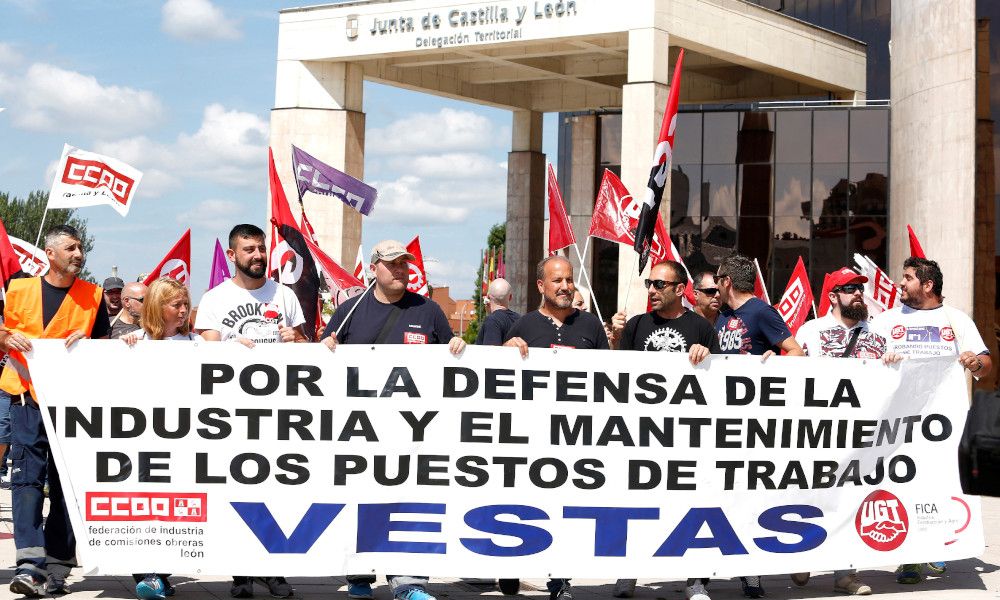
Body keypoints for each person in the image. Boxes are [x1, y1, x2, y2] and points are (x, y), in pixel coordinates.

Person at [322, 239, 465, 600]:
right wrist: (324, 349)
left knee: (409, 500)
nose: (400, 269)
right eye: (392, 264)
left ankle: (409, 581)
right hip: (359, 430)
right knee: (359, 499)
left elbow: (450, 359)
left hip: (412, 433)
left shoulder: (430, 311)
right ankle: (359, 577)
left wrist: (459, 349)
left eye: (404, 263)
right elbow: (322, 363)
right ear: (374, 269)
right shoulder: (351, 310)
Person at [194, 224, 305, 599]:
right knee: (236, 493)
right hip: (231, 416)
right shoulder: (214, 298)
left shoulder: (285, 295)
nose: (257, 255)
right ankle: (242, 573)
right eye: (248, 250)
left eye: (260, 248)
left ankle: (272, 570)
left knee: (276, 493)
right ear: (232, 256)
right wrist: (228, 342)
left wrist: (297, 339)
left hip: (279, 413)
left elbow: (306, 349)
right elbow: (206, 351)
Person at [0, 225, 111, 596]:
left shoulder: (93, 296)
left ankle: (59, 565)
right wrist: (3, 336)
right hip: (25, 398)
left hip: (72, 404)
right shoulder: (19, 290)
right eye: (71, 248)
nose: (79, 254)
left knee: (66, 483)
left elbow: (105, 345)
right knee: (27, 480)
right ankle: (30, 562)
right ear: (50, 253)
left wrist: (91, 343)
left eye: (81, 248)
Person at [871, 257, 992, 585]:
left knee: (940, 482)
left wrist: (973, 362)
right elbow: (865, 361)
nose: (901, 283)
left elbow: (985, 363)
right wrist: (881, 360)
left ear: (928, 285)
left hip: (942, 424)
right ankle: (908, 557)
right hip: (898, 423)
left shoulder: (955, 319)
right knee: (900, 483)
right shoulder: (886, 320)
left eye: (908, 278)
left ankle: (937, 547)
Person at [608, 260, 718, 600]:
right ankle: (628, 572)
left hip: (686, 437)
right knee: (636, 505)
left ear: (679, 289)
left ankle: (695, 579)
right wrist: (614, 339)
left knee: (691, 505)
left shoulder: (701, 328)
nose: (652, 290)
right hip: (640, 435)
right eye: (649, 284)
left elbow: (723, 380)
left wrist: (708, 355)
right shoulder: (637, 325)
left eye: (659, 285)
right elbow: (616, 374)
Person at [503, 255, 607, 600]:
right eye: (557, 281)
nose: (565, 287)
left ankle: (560, 579)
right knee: (521, 505)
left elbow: (609, 379)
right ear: (540, 286)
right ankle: (510, 566)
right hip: (528, 439)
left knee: (563, 510)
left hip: (574, 440)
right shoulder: (524, 326)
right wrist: (505, 351)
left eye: (569, 280)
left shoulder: (591, 326)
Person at [790, 267, 887, 596]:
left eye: (860, 288)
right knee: (812, 496)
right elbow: (790, 373)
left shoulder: (877, 333)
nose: (858, 293)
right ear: (833, 296)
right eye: (849, 288)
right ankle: (803, 558)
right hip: (817, 434)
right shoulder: (811, 331)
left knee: (850, 500)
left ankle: (846, 572)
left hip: (861, 437)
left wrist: (896, 361)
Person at [713, 253, 803, 599]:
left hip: (753, 423)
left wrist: (774, 361)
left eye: (717, 281)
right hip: (721, 420)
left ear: (727, 282)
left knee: (749, 499)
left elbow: (795, 352)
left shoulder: (762, 312)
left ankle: (752, 576)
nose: (715, 288)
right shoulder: (723, 316)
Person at [120, 277, 201, 599]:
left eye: (185, 304)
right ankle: (148, 575)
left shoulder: (195, 342)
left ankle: (160, 573)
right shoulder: (135, 341)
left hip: (183, 443)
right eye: (176, 305)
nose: (183, 311)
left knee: (176, 509)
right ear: (157, 306)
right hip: (142, 444)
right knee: (144, 507)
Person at [475, 278, 519, 346]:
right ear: (510, 297)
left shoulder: (492, 321)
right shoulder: (520, 319)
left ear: (488, 297)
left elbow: (491, 353)